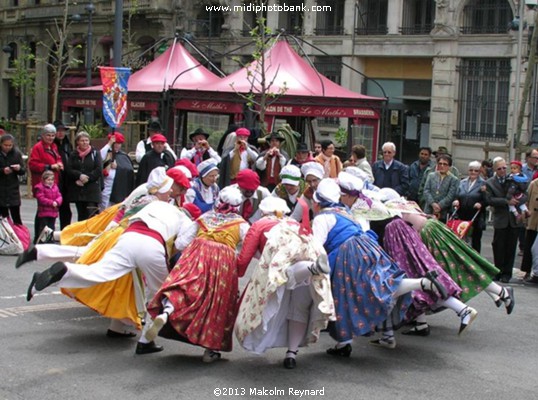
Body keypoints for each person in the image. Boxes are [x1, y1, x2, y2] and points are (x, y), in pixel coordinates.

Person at [25, 196, 193, 355]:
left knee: (99, 272)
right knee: (160, 293)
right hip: (153, 244)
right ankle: (146, 340)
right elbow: (181, 244)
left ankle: (65, 272)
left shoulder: (157, 205)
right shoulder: (184, 220)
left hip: (127, 237)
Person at [311, 179, 446, 354]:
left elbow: (316, 245)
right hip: (368, 245)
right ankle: (421, 283)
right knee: (382, 284)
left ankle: (344, 343)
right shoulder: (343, 211)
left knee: (344, 296)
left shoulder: (323, 218)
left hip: (347, 253)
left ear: (317, 202)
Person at [143, 186, 249, 362]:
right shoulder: (241, 224)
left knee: (184, 286)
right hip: (223, 261)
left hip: (197, 252)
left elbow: (182, 242)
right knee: (217, 303)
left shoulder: (204, 217)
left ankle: (167, 311)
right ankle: (210, 350)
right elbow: (249, 247)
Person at [235, 197, 333, 369]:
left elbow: (244, 258)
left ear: (264, 212)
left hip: (283, 266)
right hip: (310, 255)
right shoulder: (293, 224)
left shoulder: (260, 224)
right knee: (299, 309)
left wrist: (236, 273)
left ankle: (311, 268)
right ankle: (291, 354)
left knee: (282, 279)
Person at [486, 157, 526, 283]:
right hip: (500, 218)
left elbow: (523, 191)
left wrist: (520, 200)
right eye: (499, 168)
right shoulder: (490, 183)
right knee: (498, 246)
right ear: (494, 169)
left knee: (511, 246)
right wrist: (506, 201)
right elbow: (489, 200)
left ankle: (507, 274)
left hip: (514, 219)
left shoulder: (513, 177)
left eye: (504, 168)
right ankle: (498, 271)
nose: (503, 170)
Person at [28, 123, 63, 241]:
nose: (51, 138)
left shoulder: (53, 147)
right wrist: (50, 166)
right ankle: (40, 237)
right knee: (42, 212)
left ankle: (46, 237)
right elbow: (33, 165)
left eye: (53, 135)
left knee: (50, 214)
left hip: (53, 184)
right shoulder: (38, 147)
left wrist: (59, 164)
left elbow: (58, 158)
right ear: (43, 135)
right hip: (42, 184)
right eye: (48, 135)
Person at [66, 131, 102, 222]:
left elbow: (98, 169)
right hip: (79, 191)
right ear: (77, 142)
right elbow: (69, 169)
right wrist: (79, 176)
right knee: (81, 216)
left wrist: (88, 178)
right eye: (82, 140)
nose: (85, 142)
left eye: (86, 140)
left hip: (92, 191)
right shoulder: (73, 154)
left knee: (91, 214)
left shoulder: (95, 153)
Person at [452, 161, 487, 253]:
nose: (473, 172)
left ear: (479, 172)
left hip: (476, 217)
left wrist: (481, 204)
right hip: (462, 215)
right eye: (471, 170)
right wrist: (456, 200)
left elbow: (487, 199)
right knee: (460, 239)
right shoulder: (462, 182)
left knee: (475, 242)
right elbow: (457, 195)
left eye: (476, 171)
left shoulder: (483, 183)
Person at [99, 132, 135, 210]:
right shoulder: (106, 152)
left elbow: (128, 171)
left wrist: (118, 167)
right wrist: (109, 144)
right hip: (106, 187)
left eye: (119, 143)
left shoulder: (123, 156)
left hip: (119, 188)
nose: (117, 145)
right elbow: (101, 156)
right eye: (115, 143)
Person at [422, 154, 459, 221]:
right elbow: (426, 191)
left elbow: (450, 196)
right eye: (440, 163)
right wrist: (433, 204)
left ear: (449, 166)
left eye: (445, 164)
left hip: (443, 213)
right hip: (429, 210)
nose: (442, 166)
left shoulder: (453, 179)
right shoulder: (431, 175)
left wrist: (439, 206)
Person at [0, 134, 25, 225]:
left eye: (10, 145)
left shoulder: (16, 154)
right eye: (5, 145)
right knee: (4, 218)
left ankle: (19, 236)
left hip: (12, 189)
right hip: (1, 190)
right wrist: (3, 171)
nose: (7, 147)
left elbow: (23, 171)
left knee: (16, 218)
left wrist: (18, 169)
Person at [53, 120, 73, 229]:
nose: (61, 133)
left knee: (66, 210)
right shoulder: (51, 145)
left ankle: (65, 231)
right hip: (54, 181)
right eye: (58, 130)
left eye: (63, 131)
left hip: (66, 182)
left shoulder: (67, 144)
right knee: (49, 211)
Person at [33, 171, 62, 241]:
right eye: (48, 180)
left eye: (52, 179)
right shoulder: (40, 188)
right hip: (44, 213)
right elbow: (41, 199)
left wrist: (57, 202)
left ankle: (50, 240)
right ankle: (42, 241)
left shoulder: (55, 187)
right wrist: (51, 203)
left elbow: (59, 196)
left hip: (53, 212)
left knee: (51, 227)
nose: (50, 181)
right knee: (43, 228)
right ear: (44, 180)